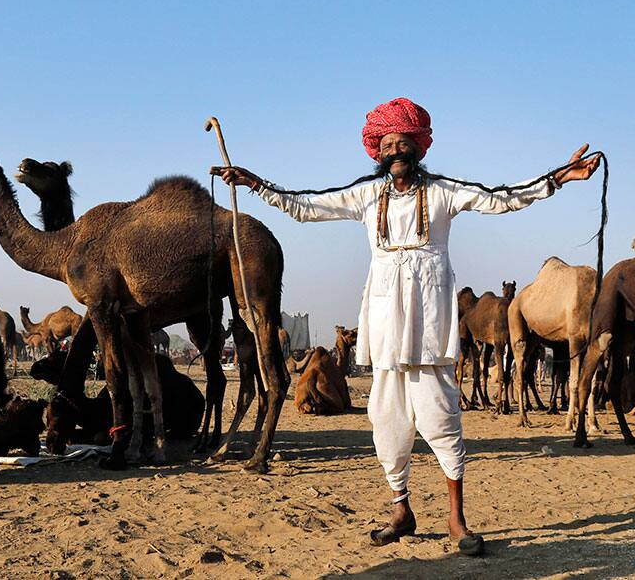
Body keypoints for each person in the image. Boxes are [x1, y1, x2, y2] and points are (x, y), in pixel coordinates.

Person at [212, 97, 600, 556]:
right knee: (386, 420)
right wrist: (256, 183)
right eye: (388, 143)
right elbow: (305, 206)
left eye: (404, 142)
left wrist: (558, 177)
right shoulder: (365, 195)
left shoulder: (443, 192)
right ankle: (402, 510)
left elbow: (499, 198)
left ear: (418, 147)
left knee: (440, 415)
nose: (396, 150)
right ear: (377, 150)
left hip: (430, 323)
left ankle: (457, 520)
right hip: (384, 323)